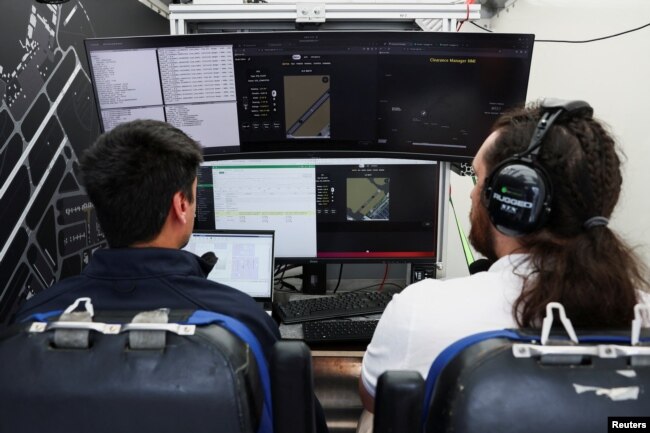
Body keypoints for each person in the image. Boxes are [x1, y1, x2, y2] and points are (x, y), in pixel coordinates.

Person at [358, 99, 650, 416]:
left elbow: (378, 403)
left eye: (479, 178)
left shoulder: (421, 311)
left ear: (513, 199)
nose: (472, 193)